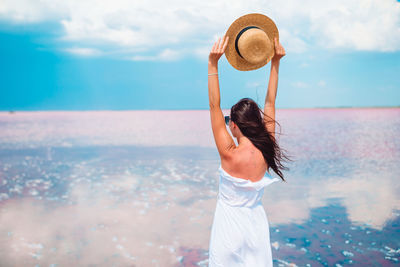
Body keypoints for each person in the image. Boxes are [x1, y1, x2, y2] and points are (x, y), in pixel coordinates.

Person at [207, 34, 290, 266]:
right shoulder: (266, 148)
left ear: (233, 125)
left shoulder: (229, 153)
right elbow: (270, 104)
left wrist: (213, 62)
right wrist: (276, 62)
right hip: (255, 228)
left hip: (228, 230)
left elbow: (214, 104)